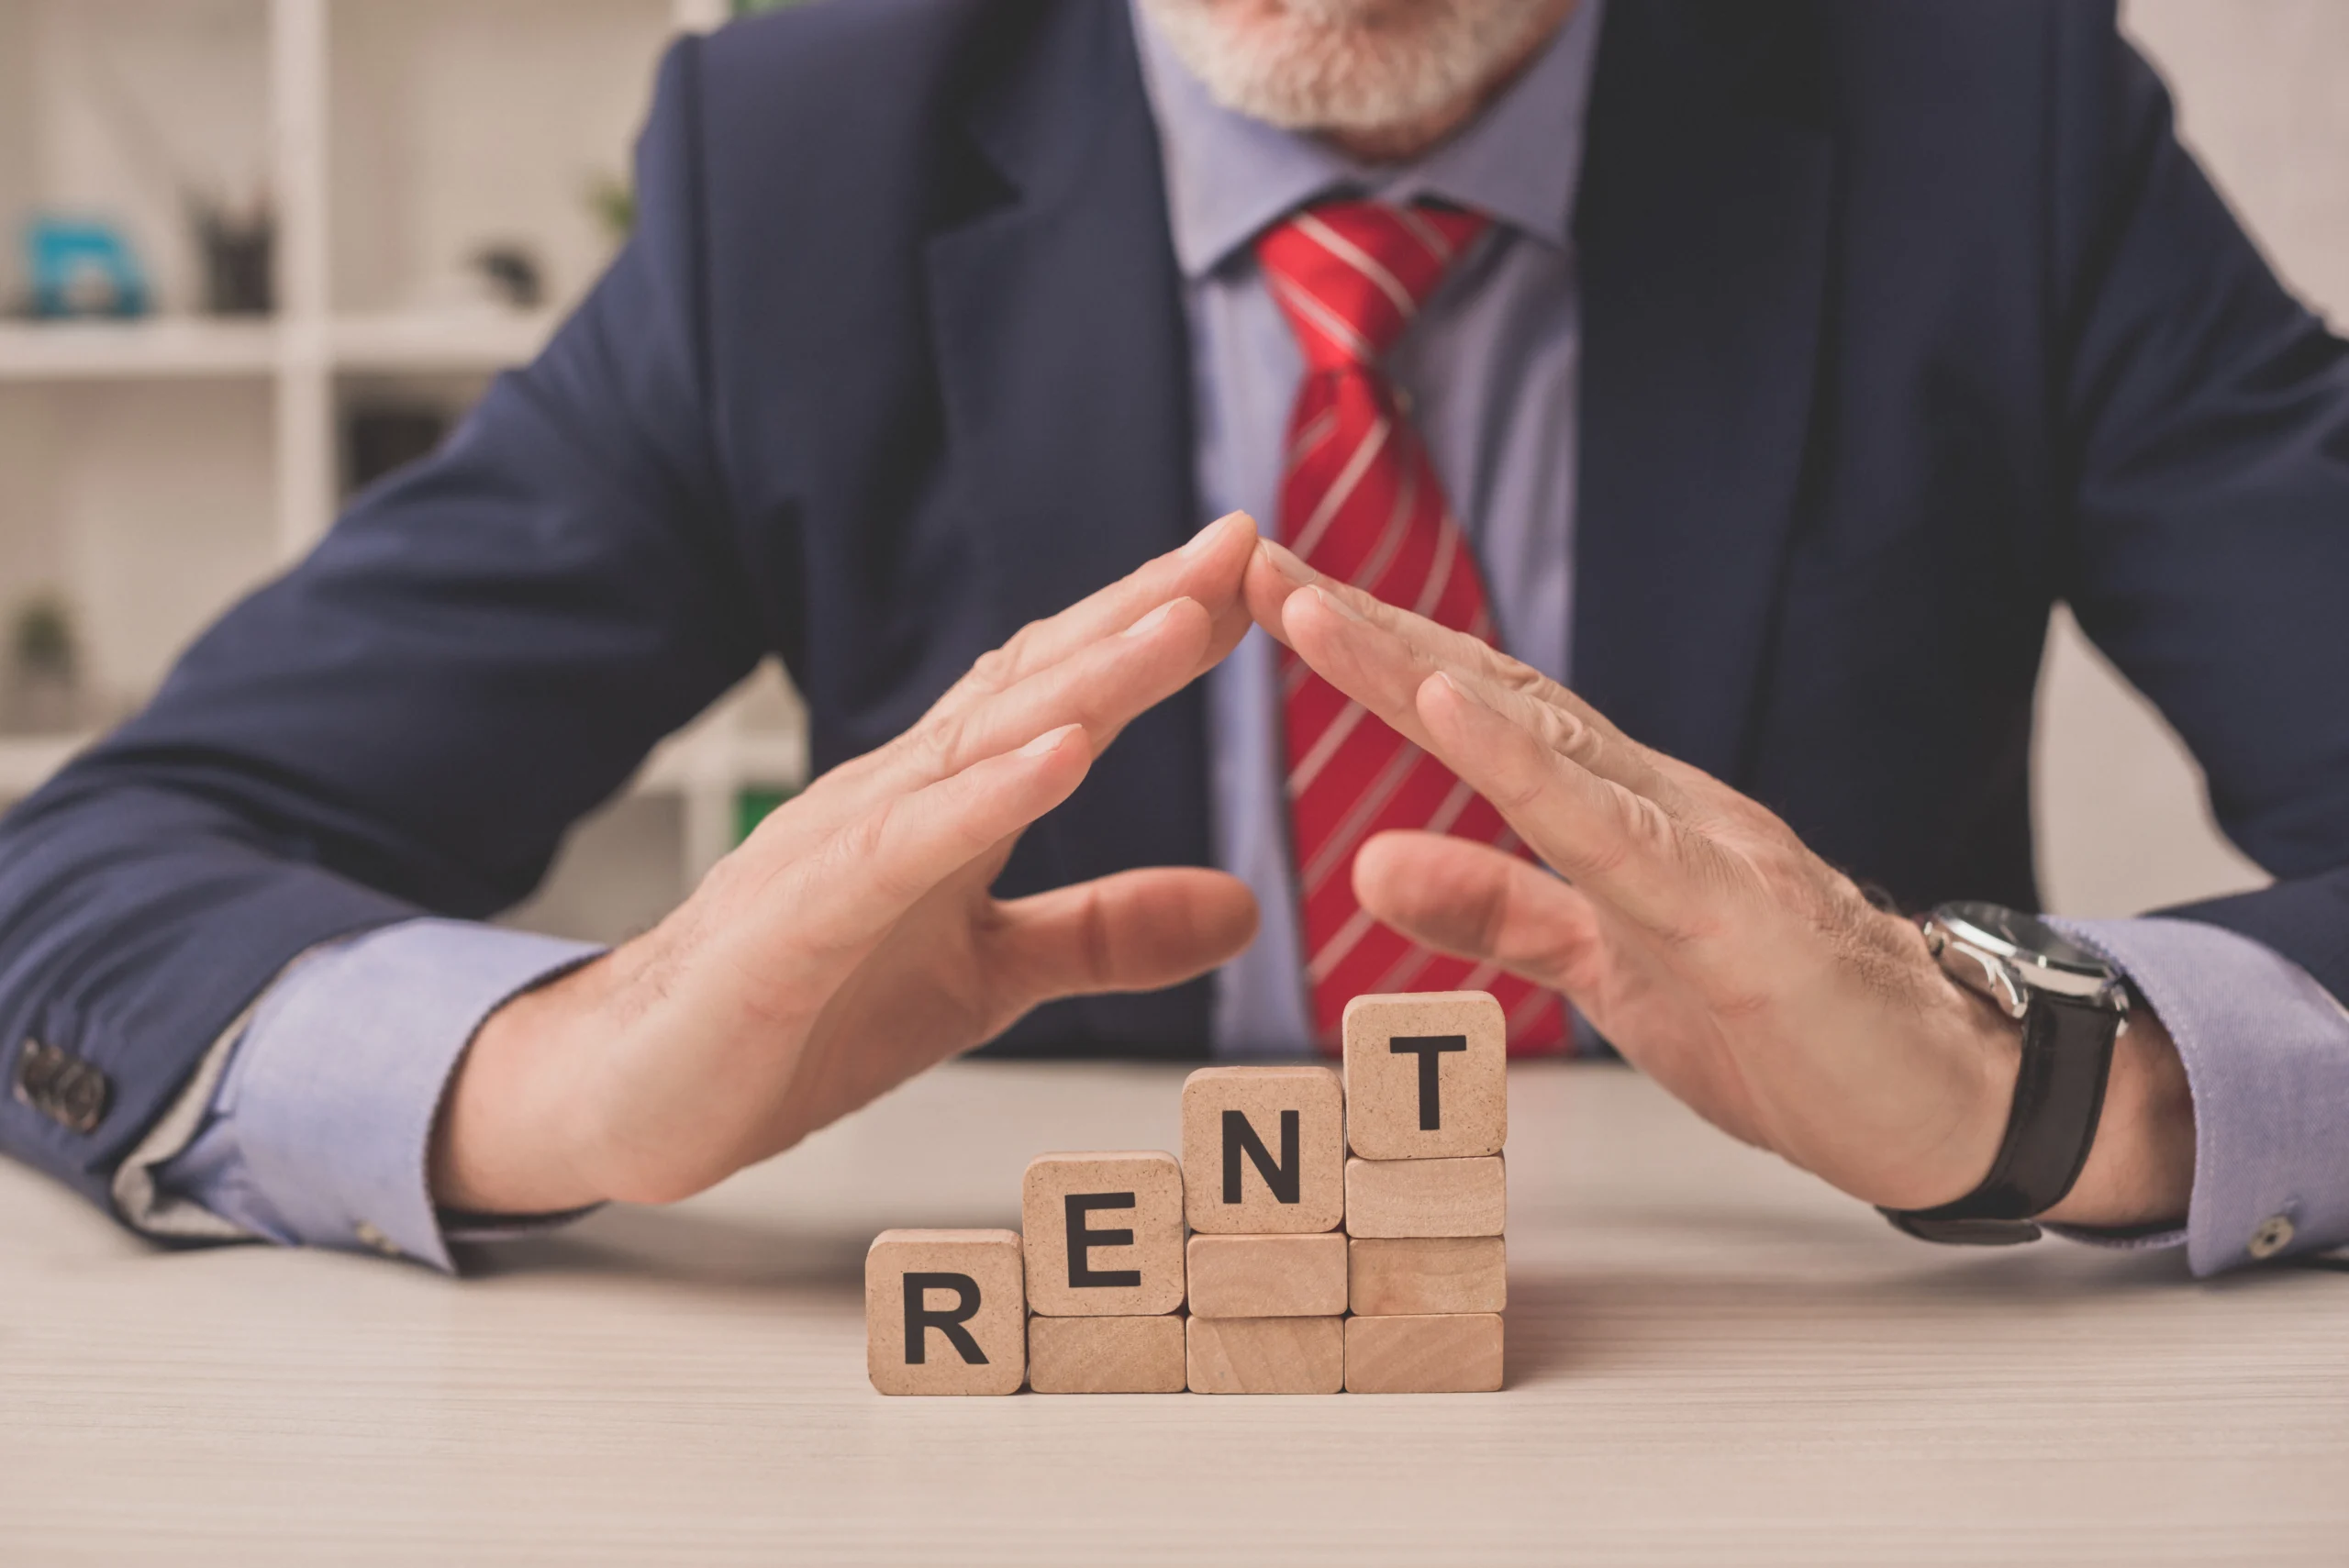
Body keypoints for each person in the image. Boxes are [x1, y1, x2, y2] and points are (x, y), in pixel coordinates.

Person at [3, 0, 2344, 1276]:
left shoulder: (1997, 113)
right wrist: (554, 1074)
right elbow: (89, 883)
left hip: (1831, 1405)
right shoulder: (793, 160)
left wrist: (2044, 1088)